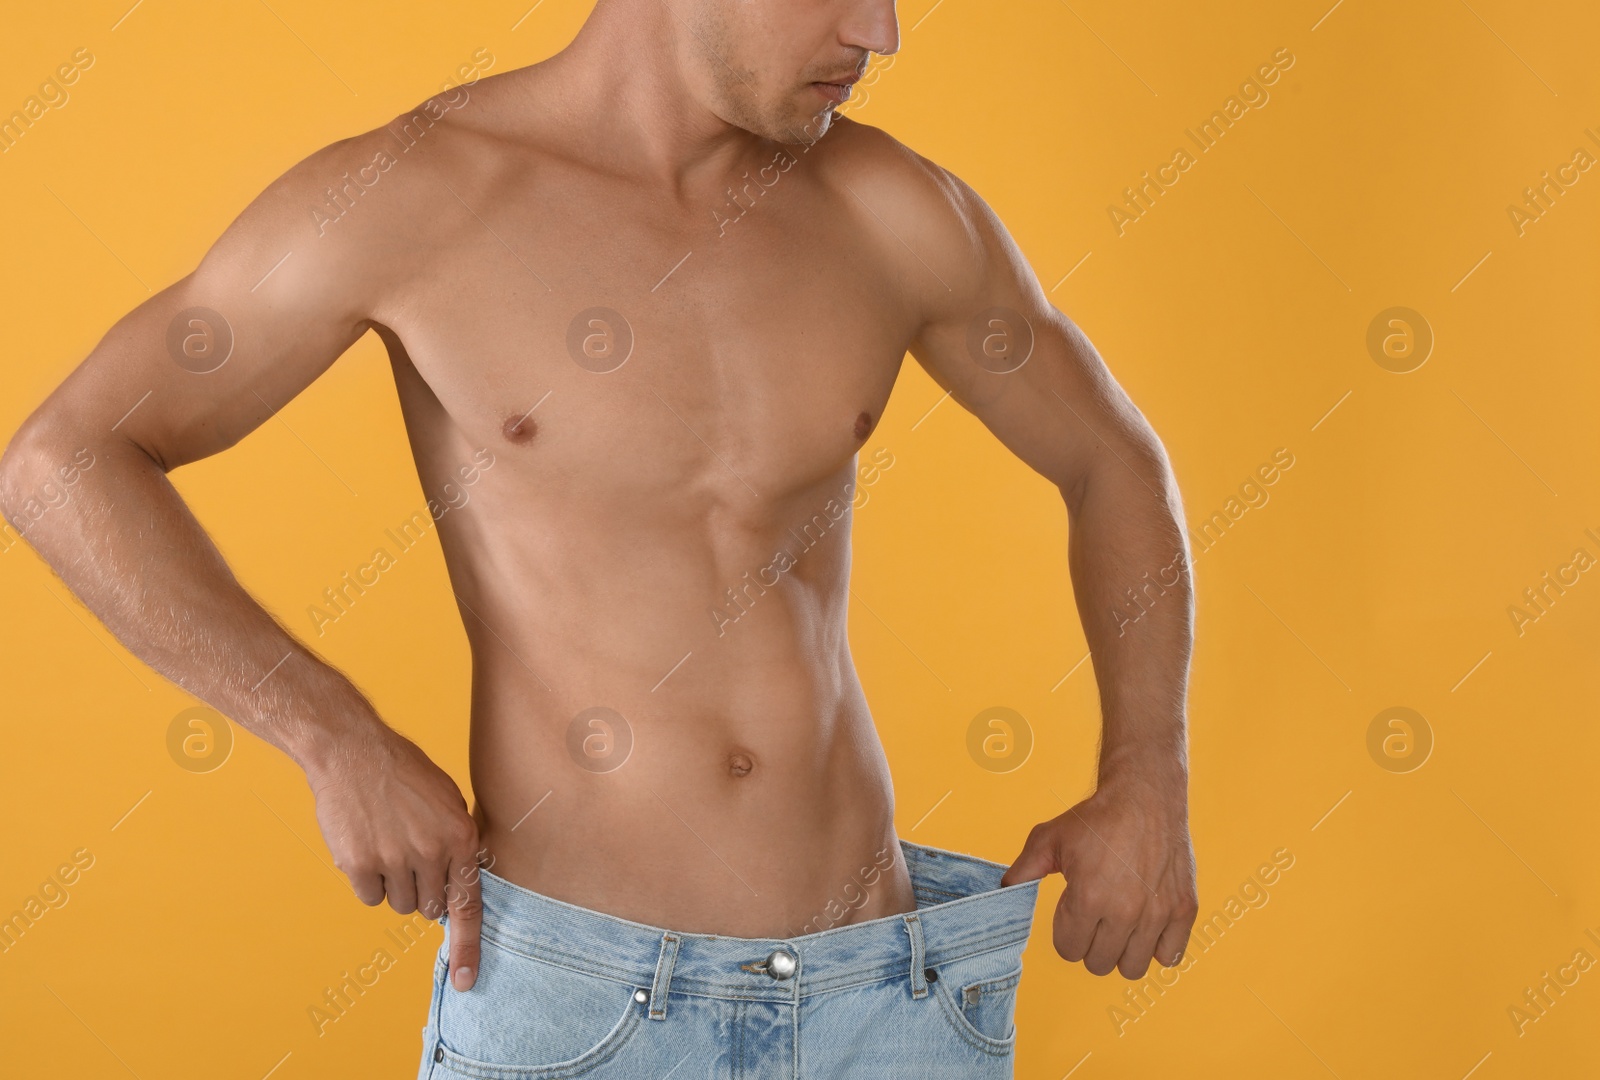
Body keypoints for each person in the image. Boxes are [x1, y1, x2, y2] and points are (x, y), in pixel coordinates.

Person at [0, 0, 1198, 1074]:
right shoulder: (419, 197)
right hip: (585, 1015)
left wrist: (1147, 775)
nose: (880, 32)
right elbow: (63, 465)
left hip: (882, 999)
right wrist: (334, 737)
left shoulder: (891, 208)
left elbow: (1111, 459)